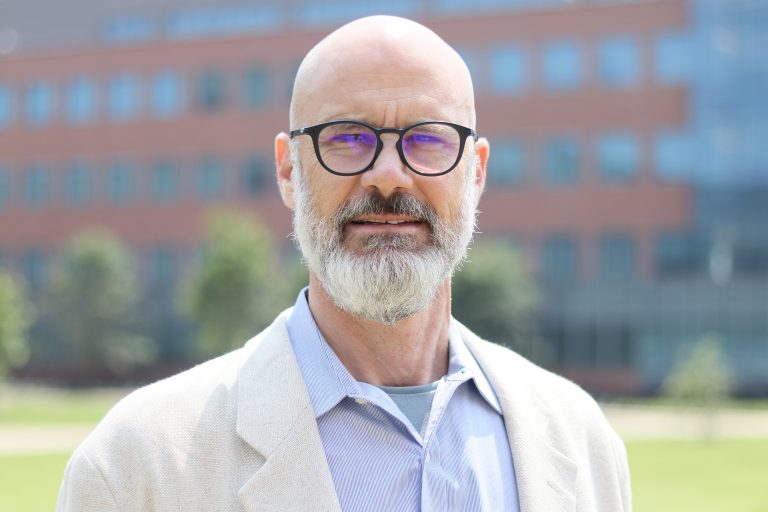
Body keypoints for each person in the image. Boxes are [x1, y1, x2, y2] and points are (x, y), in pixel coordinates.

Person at [57, 15, 631, 512]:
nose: (387, 174)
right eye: (347, 139)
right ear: (288, 170)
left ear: (476, 173)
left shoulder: (581, 444)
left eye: (429, 141)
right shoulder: (137, 468)